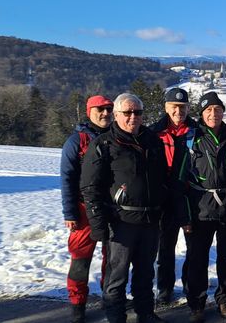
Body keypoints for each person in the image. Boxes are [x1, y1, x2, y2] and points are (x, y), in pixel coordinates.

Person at [81, 93, 170, 323]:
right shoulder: (104, 144)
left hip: (150, 220)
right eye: (127, 113)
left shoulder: (153, 140)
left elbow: (163, 179)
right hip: (120, 222)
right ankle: (116, 317)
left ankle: (145, 313)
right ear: (116, 115)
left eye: (137, 112)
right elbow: (90, 187)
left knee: (145, 273)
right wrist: (98, 225)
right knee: (117, 277)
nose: (133, 117)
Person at [181, 92, 226, 322]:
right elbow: (181, 179)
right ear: (202, 113)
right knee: (198, 258)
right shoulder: (191, 138)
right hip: (201, 209)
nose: (213, 114)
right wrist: (185, 215)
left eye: (217, 110)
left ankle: (224, 299)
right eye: (208, 110)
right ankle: (196, 303)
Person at [61, 95, 113, 323]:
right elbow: (67, 178)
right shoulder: (76, 140)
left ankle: (110, 296)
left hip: (112, 206)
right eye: (99, 110)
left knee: (112, 257)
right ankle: (77, 302)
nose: (105, 114)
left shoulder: (116, 136)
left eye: (109, 110)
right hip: (84, 209)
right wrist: (70, 212)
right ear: (89, 111)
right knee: (81, 257)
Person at [149, 88, 197, 306]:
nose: (179, 111)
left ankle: (190, 286)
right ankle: (165, 288)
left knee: (193, 248)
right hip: (164, 199)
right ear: (166, 107)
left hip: (189, 199)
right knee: (165, 248)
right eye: (174, 107)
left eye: (183, 107)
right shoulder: (153, 132)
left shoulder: (196, 131)